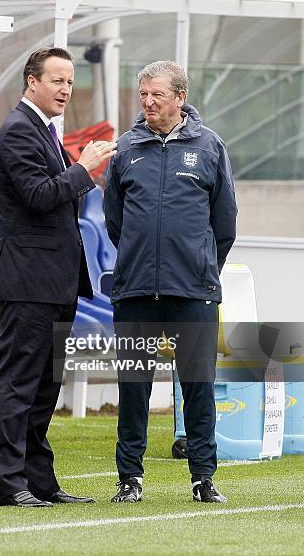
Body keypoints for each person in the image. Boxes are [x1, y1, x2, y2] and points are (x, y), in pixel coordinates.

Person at [104, 60, 237, 504]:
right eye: (143, 94)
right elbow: (115, 220)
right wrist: (142, 263)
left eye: (157, 94)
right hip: (136, 291)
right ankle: (130, 479)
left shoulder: (210, 147)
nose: (148, 102)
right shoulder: (126, 148)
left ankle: (203, 477)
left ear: (180, 97)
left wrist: (200, 269)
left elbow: (225, 224)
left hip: (193, 292)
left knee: (198, 388)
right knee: (134, 390)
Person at [0, 47, 116, 507]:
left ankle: (39, 481)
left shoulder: (44, 131)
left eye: (70, 80)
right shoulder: (19, 131)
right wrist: (85, 168)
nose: (66, 89)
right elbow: (40, 196)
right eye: (58, 80)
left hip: (56, 281)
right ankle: (10, 484)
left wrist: (81, 171)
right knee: (18, 383)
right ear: (32, 82)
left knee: (45, 387)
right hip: (28, 282)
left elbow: (63, 199)